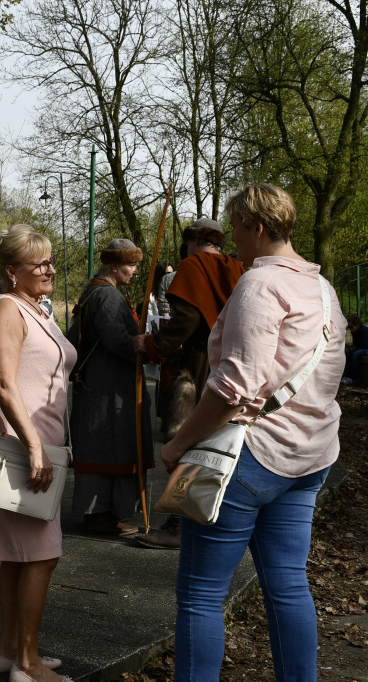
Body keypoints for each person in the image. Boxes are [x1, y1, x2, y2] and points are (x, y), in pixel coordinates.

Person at [159, 183, 345, 681]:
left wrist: (179, 443)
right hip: (309, 456)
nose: (230, 242)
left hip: (247, 455)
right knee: (287, 585)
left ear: (255, 227)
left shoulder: (260, 285)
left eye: (235, 230)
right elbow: (329, 374)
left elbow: (233, 387)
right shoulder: (322, 290)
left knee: (201, 595)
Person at [0, 224, 76, 682]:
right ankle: (27, 664)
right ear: (12, 271)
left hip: (41, 441)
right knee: (39, 554)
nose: (50, 269)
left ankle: (9, 652)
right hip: (23, 442)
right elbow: (2, 384)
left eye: (51, 260)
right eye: (40, 264)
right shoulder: (6, 309)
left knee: (22, 553)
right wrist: (35, 447)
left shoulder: (35, 309)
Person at [132, 217, 245, 548]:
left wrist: (151, 345)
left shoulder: (193, 265)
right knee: (217, 444)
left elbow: (186, 321)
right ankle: (210, 520)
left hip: (196, 369)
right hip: (230, 368)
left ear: (193, 242)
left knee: (182, 441)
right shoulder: (238, 267)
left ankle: (180, 526)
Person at [68, 239, 151, 536]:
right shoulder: (108, 297)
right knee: (107, 449)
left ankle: (105, 514)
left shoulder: (97, 292)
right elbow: (117, 340)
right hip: (106, 388)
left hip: (102, 384)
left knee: (106, 446)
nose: (136, 272)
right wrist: (148, 348)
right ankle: (99, 514)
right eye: (131, 265)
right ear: (114, 267)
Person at [342, 314, 368, 384]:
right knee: (348, 354)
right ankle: (346, 376)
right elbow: (355, 343)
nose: (350, 329)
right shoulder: (355, 332)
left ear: (357, 325)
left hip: (367, 348)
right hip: (360, 347)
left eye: (351, 327)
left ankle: (354, 377)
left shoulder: (364, 331)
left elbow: (365, 345)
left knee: (356, 354)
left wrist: (356, 348)